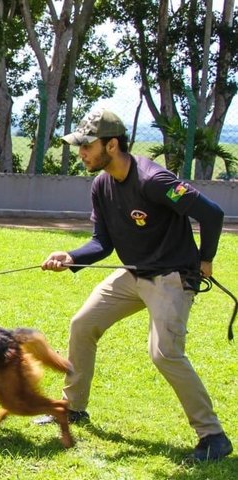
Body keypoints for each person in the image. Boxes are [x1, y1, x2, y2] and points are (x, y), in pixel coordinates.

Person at [36, 108, 232, 462]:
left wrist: (204, 260)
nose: (81, 153)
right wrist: (70, 257)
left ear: (111, 145)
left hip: (171, 277)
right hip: (133, 273)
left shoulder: (154, 180)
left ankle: (213, 436)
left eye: (87, 146)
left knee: (164, 353)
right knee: (83, 325)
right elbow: (102, 243)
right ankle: (74, 408)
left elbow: (212, 213)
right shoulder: (101, 185)